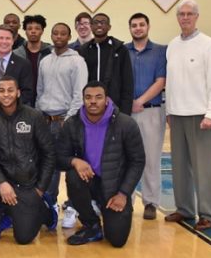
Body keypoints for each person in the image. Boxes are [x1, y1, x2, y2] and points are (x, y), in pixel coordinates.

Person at [0, 75, 57, 244]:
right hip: (2, 176)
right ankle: (1, 217)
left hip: (28, 183)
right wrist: (1, 183)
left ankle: (44, 210)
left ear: (18, 93)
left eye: (10, 90)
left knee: (24, 238)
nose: (6, 94)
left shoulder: (34, 116)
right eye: (2, 91)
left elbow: (49, 154)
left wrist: (40, 189)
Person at [57, 81, 145, 247]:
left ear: (106, 100)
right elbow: (59, 157)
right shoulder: (72, 124)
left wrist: (123, 193)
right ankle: (91, 224)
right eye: (88, 97)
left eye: (98, 97)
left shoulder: (125, 124)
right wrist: (75, 161)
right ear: (83, 100)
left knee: (117, 241)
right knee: (73, 175)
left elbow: (137, 161)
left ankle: (107, 212)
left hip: (114, 188)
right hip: (88, 181)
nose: (93, 101)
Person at [165, 1, 211, 229]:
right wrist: (169, 110)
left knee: (204, 169)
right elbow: (171, 83)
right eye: (181, 14)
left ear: (197, 17)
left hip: (201, 117)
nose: (185, 17)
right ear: (177, 17)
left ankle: (208, 213)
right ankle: (185, 209)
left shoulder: (208, 45)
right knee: (179, 167)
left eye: (190, 14)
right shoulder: (172, 45)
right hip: (177, 114)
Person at [36, 22, 88, 229]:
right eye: (55, 33)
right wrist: (40, 112)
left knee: (68, 165)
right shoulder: (45, 60)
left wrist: (69, 120)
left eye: (63, 33)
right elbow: (40, 90)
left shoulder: (77, 61)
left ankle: (72, 207)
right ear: (51, 35)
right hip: (45, 120)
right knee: (48, 165)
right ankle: (50, 206)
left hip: (67, 121)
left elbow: (80, 94)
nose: (58, 36)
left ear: (68, 36)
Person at [126, 12, 168, 220]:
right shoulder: (123, 51)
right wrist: (128, 104)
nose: (138, 28)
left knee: (151, 158)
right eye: (134, 25)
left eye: (141, 24)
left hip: (151, 110)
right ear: (130, 29)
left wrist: (139, 101)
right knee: (127, 158)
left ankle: (151, 202)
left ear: (148, 26)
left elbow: (161, 81)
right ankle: (127, 199)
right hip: (126, 113)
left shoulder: (160, 51)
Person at [78, 13, 134, 115]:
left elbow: (127, 83)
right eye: (96, 22)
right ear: (91, 26)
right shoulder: (83, 51)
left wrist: (125, 112)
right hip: (90, 107)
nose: (99, 25)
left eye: (103, 22)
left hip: (114, 107)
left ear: (109, 27)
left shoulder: (120, 49)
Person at [12, 15, 53, 92]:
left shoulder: (50, 52)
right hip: (23, 96)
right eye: (29, 28)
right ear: (25, 31)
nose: (33, 31)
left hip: (45, 95)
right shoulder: (16, 53)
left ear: (42, 31)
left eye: (37, 28)